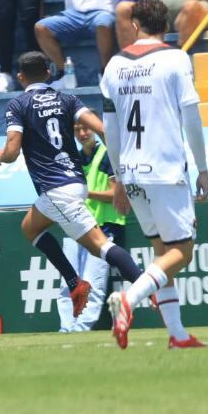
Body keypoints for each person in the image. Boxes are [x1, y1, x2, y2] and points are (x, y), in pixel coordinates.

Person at [0, 51, 145, 319]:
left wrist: (0, 156)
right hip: (75, 181)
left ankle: (146, 285)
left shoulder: (17, 105)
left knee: (100, 246)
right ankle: (75, 283)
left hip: (55, 190)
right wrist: (120, 175)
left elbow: (13, 150)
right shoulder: (67, 99)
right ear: (49, 74)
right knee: (30, 227)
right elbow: (103, 130)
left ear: (19, 77)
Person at [101, 0, 208, 349]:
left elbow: (110, 128)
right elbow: (191, 116)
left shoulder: (114, 65)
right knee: (183, 251)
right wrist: (203, 168)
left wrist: (117, 177)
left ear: (134, 25)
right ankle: (129, 300)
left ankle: (177, 334)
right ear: (168, 25)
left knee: (163, 252)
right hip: (164, 169)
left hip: (131, 171)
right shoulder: (176, 58)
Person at [56, 122, 127, 331]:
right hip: (75, 226)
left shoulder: (106, 155)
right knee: (67, 282)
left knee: (91, 282)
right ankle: (66, 329)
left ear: (95, 130)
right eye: (77, 130)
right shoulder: (74, 158)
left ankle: (80, 329)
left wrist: (84, 193)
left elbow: (115, 194)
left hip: (103, 229)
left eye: (85, 128)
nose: (82, 133)